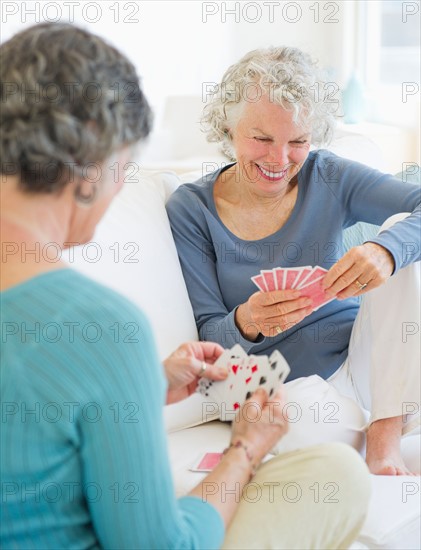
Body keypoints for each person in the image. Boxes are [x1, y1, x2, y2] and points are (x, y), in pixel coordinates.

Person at [1, 23, 370, 549]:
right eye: (123, 169)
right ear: (92, 164)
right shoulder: (101, 327)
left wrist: (143, 384)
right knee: (339, 474)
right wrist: (244, 450)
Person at [166, 46, 421, 476]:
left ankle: (386, 429)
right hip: (287, 386)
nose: (279, 160)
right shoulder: (191, 210)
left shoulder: (329, 175)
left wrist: (385, 251)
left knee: (403, 237)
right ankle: (397, 412)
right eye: (262, 138)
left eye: (298, 142)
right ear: (228, 127)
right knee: (293, 423)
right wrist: (248, 319)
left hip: (367, 355)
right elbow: (211, 336)